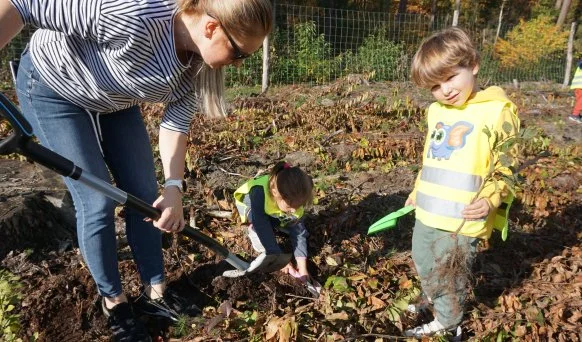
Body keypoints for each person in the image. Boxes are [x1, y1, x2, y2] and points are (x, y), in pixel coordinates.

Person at [0, 0, 272, 340]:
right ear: (211, 28)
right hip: (55, 88)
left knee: (145, 195)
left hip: (115, 99)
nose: (237, 63)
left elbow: (175, 123)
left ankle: (155, 292)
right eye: (239, 54)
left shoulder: (195, 66)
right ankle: (113, 302)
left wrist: (173, 187)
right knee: (96, 202)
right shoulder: (135, 17)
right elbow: (23, 5)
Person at [403, 27, 519, 339]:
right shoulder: (436, 111)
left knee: (447, 270)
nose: (446, 90)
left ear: (473, 64)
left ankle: (448, 321)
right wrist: (416, 191)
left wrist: (492, 198)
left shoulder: (497, 111)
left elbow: (507, 164)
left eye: (451, 77)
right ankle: (437, 301)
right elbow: (431, 158)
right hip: (428, 209)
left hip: (461, 217)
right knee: (422, 259)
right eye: (436, 86)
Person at [232, 161, 315, 282]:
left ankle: (277, 222)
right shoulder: (259, 191)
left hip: (274, 210)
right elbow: (262, 224)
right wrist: (278, 259)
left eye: (297, 207)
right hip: (252, 208)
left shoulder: (294, 201)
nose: (293, 210)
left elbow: (299, 233)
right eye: (290, 206)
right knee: (261, 228)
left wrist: (302, 267)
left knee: (294, 225)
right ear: (275, 193)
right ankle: (254, 233)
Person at [569, 59, 582, 123]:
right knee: (580, 101)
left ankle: (577, 115)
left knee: (579, 100)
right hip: (580, 85)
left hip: (577, 85)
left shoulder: (580, 63)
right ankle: (575, 115)